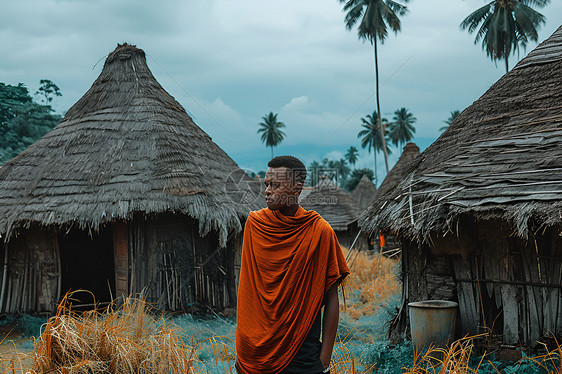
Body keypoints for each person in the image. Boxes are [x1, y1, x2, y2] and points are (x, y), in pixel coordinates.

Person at [236, 155, 350, 374]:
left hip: (302, 353)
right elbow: (248, 290)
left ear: (297, 189)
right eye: (266, 184)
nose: (267, 191)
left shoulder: (319, 232)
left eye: (275, 185)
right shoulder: (255, 225)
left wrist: (324, 360)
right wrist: (245, 347)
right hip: (254, 354)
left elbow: (331, 297)